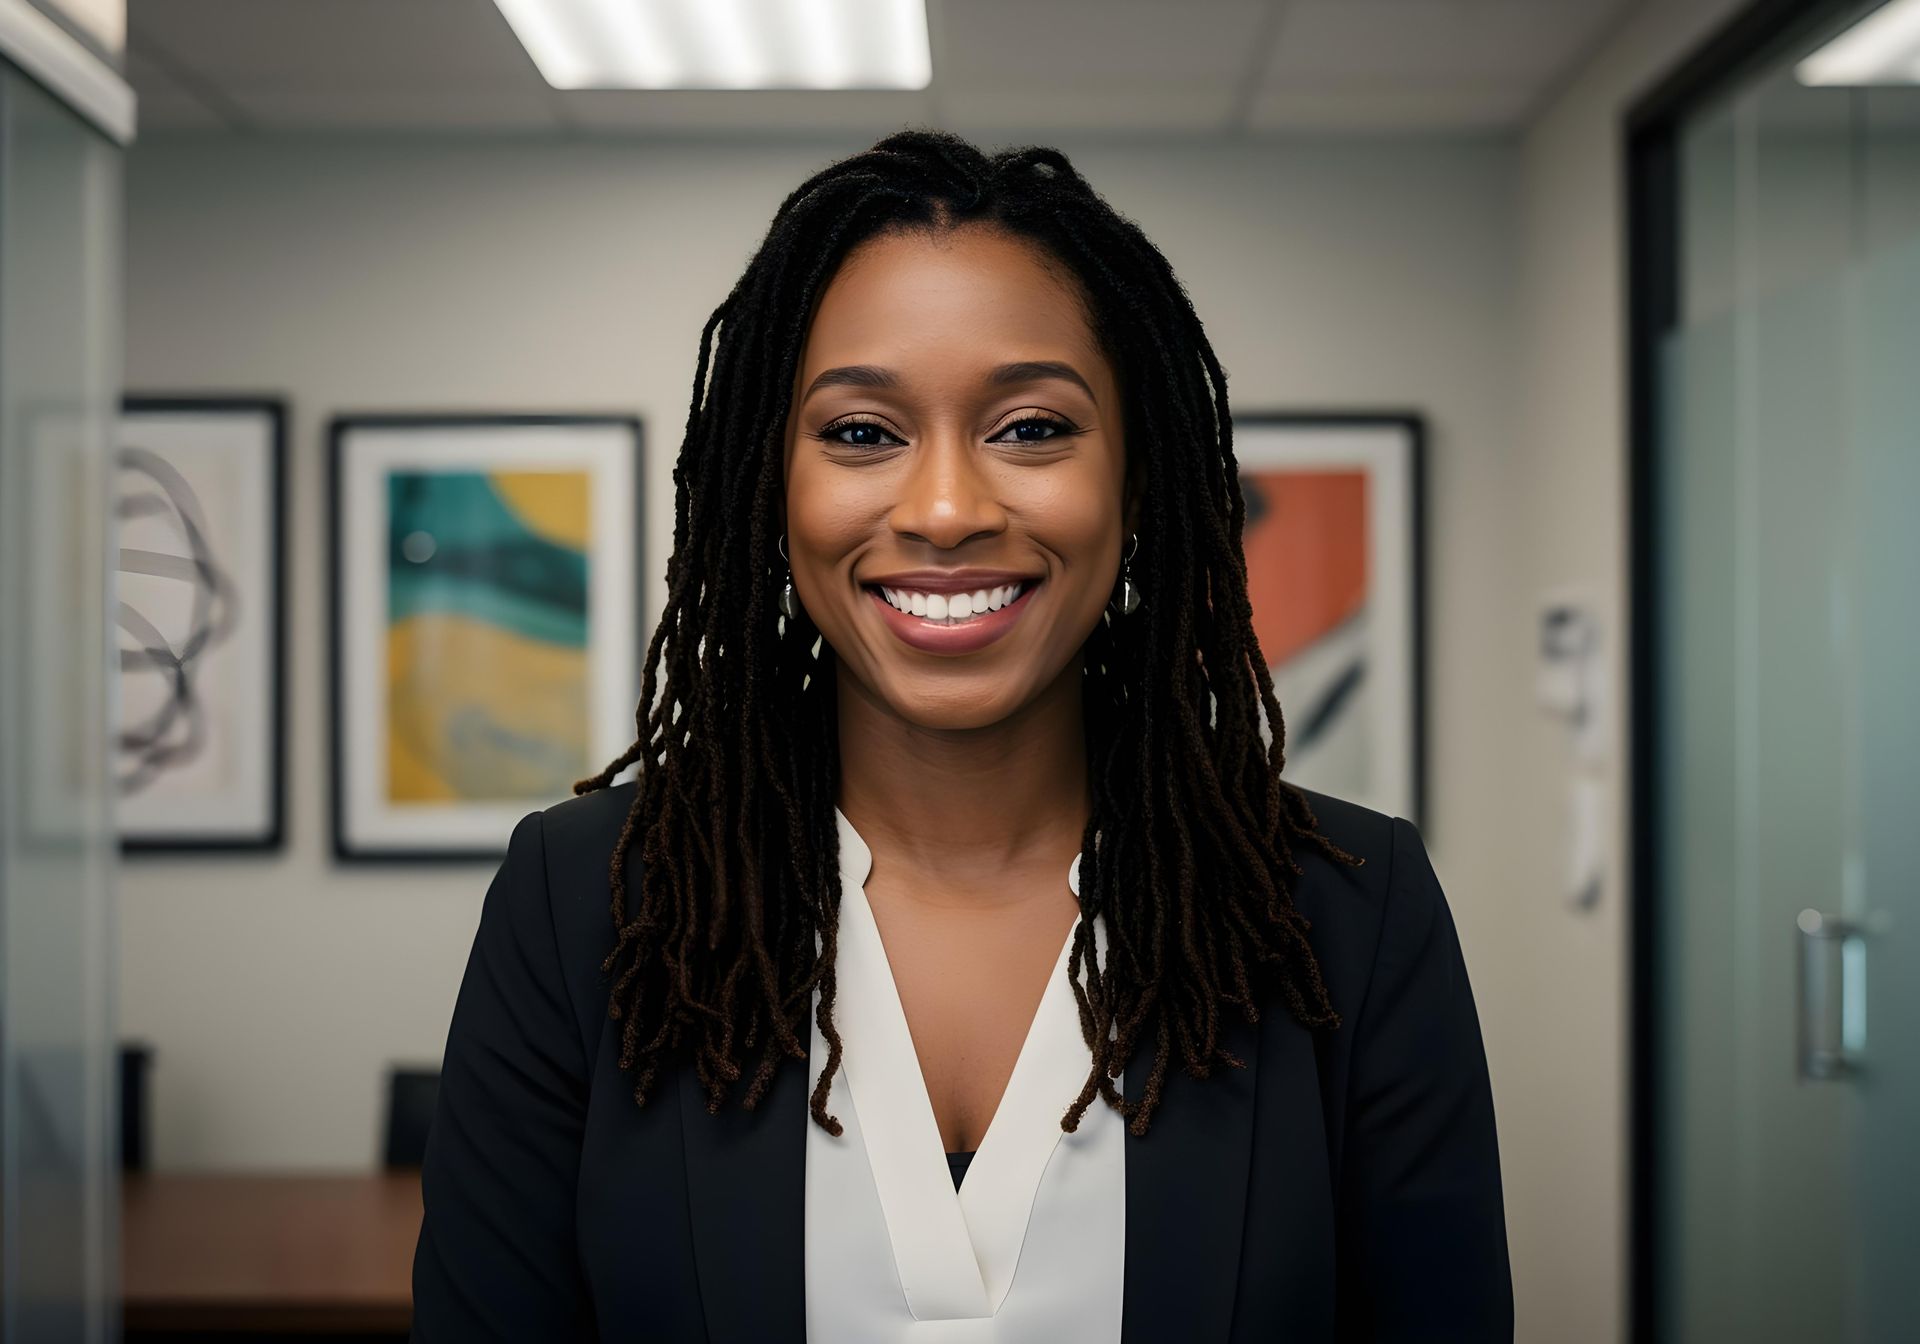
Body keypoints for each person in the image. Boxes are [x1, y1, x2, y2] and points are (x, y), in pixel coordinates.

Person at [410, 128, 1512, 1343]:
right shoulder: (584, 904)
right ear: (770, 489)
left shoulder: (1349, 916)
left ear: (1137, 480)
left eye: (1032, 428)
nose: (945, 510)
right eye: (862, 433)